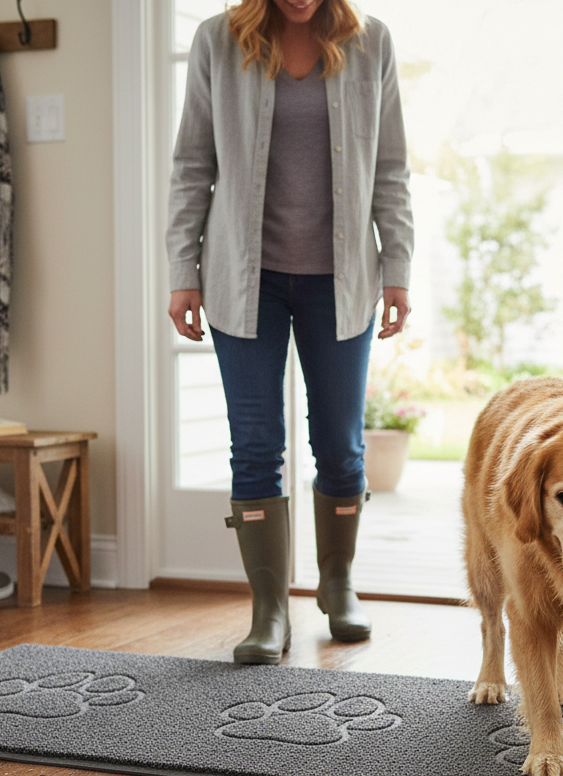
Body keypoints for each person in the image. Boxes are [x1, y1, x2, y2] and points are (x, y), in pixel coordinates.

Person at [167, 0, 414, 665]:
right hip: (246, 280)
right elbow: (192, 165)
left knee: (340, 446)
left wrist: (398, 267)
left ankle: (338, 587)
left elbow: (390, 169)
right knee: (254, 445)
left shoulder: (372, 44)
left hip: (343, 280)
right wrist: (180, 273)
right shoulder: (217, 41)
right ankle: (268, 608)